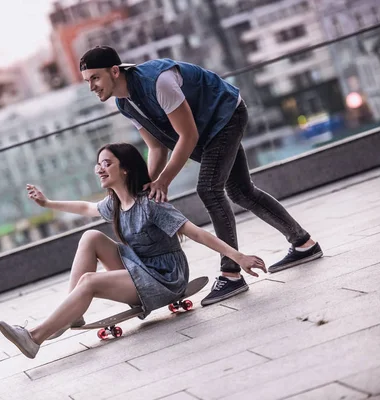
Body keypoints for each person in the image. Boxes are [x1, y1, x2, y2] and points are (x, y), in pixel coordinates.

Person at [79, 46, 323, 306]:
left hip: (225, 116)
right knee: (241, 191)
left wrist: (164, 181)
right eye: (87, 81)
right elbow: (156, 147)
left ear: (115, 71)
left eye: (95, 78)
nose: (92, 86)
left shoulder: (159, 82)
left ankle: (231, 274)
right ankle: (303, 243)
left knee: (209, 189)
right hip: (207, 132)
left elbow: (188, 136)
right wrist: (140, 187)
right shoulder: (124, 102)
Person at [0, 143, 265, 359]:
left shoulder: (151, 204)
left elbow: (196, 232)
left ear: (124, 169)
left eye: (107, 163)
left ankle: (34, 337)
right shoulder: (114, 204)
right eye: (98, 164)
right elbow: (85, 208)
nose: (99, 169)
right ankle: (73, 312)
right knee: (91, 236)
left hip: (165, 277)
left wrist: (238, 257)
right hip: (138, 267)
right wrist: (47, 203)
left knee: (88, 281)